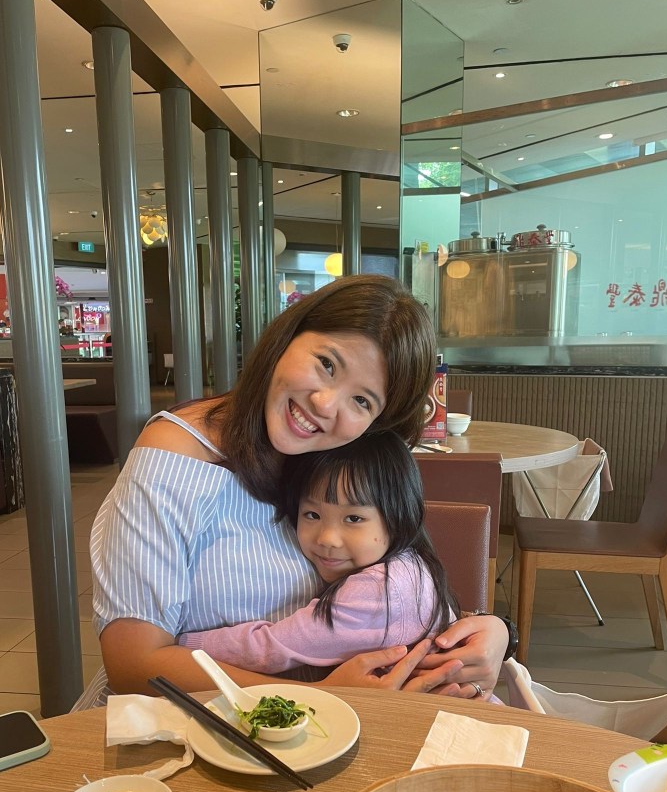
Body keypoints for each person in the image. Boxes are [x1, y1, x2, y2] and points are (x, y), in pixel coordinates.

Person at [87, 274, 510, 705]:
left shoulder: (336, 453)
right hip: (200, 725)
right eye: (326, 364)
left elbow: (396, 575)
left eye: (362, 401)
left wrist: (493, 631)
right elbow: (133, 665)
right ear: (287, 336)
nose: (325, 405)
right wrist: (318, 697)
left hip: (336, 725)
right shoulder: (174, 458)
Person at [177, 430, 472, 694]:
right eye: (313, 515)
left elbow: (273, 646)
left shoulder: (379, 588)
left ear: (399, 517)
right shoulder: (410, 565)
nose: (327, 538)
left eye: (353, 518)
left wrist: (183, 644)